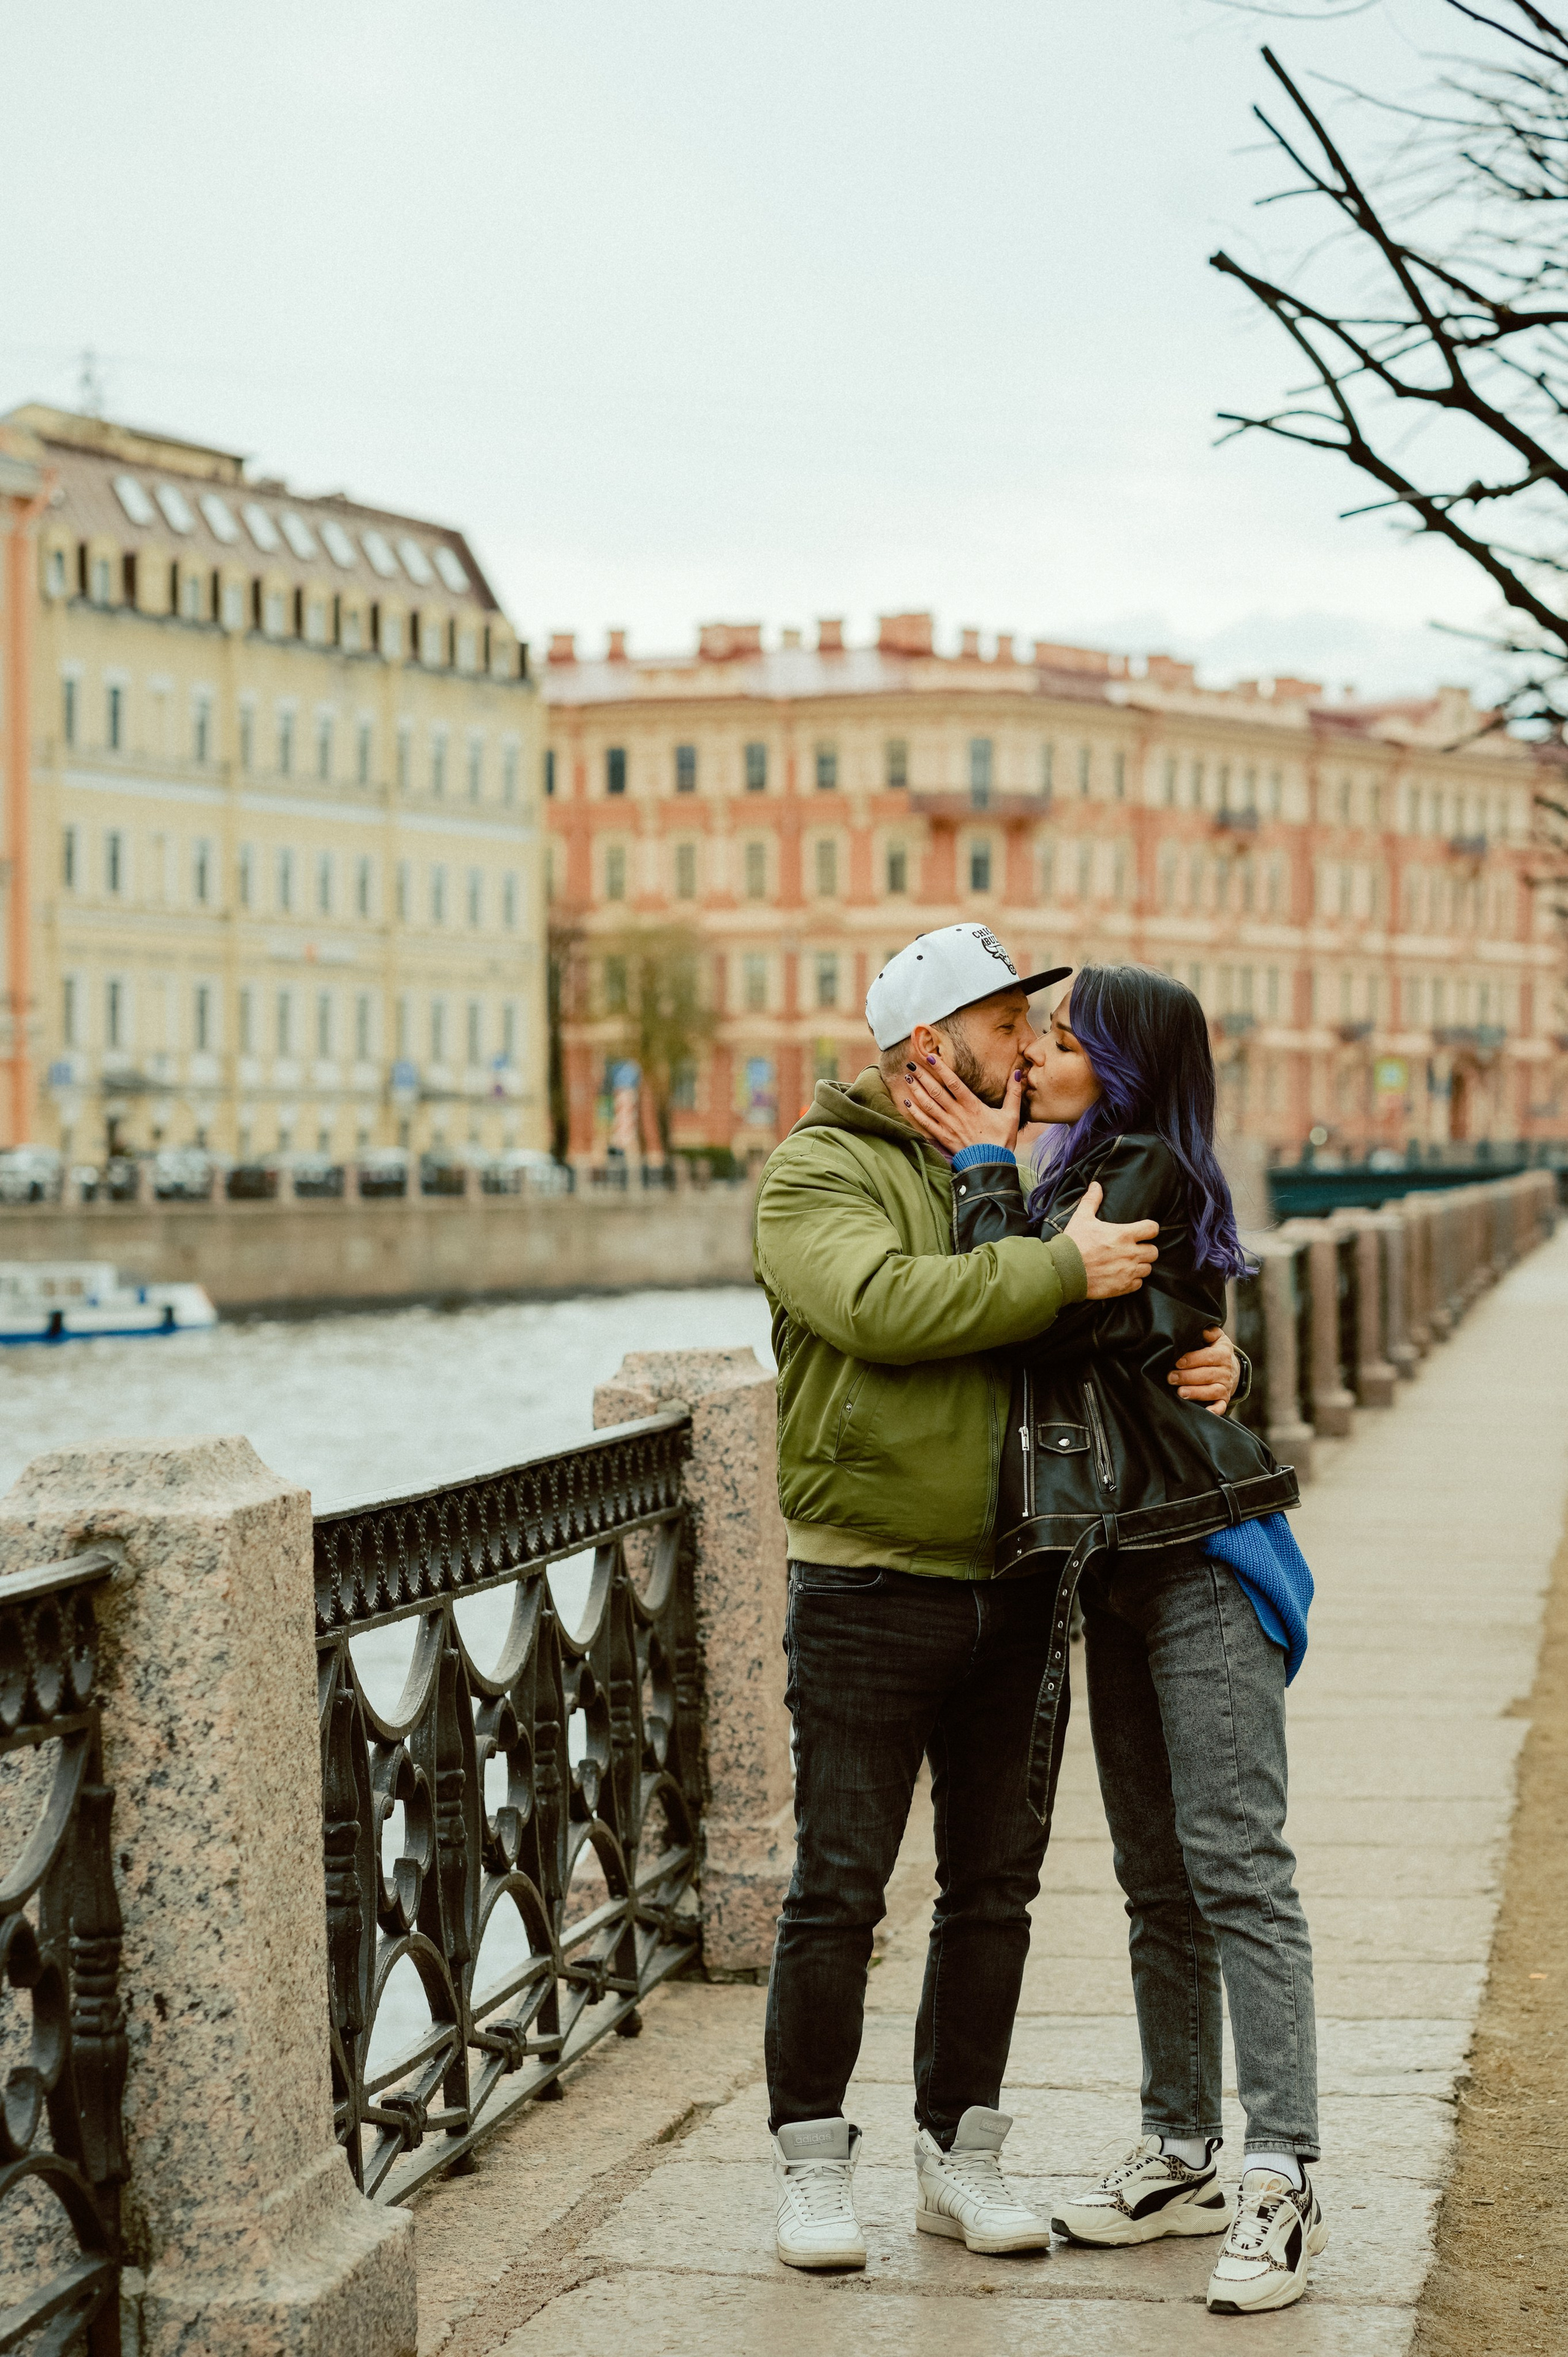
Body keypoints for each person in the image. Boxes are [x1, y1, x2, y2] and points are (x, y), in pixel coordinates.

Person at [752, 925, 1243, 2272]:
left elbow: (1115, 1315)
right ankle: (811, 2166)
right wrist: (1054, 1268)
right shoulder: (814, 1172)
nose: (1028, 1047)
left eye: (1040, 1028)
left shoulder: (1018, 1171)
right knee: (838, 1888)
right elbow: (885, 1305)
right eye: (1005, 1026)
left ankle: (958, 2158)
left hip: (1024, 1580)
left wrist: (1214, 1357)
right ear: (933, 1044)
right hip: (868, 1576)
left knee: (993, 1889)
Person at [902, 961, 1325, 2318]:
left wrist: (979, 1162)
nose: (1036, 1051)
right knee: (1155, 1882)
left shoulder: (1132, 1165)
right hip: (1116, 1571)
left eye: (1065, 1040)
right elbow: (1122, 1329)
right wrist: (1212, 1346)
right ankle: (1180, 2149)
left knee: (1233, 1871)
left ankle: (1280, 2173)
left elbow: (1005, 1306)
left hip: (1197, 1559)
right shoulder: (1080, 1170)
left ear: (1123, 1070)